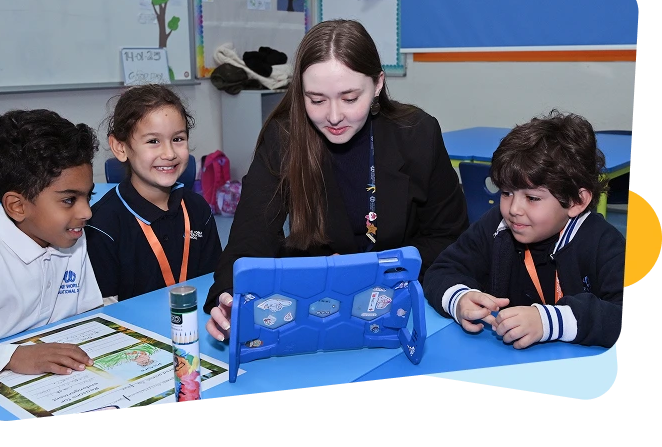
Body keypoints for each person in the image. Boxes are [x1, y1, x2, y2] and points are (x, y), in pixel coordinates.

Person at [204, 19, 469, 340]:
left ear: (378, 84)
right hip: (314, 305)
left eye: (349, 98)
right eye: (316, 100)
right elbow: (249, 239)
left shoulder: (417, 133)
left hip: (399, 304)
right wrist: (229, 298)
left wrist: (372, 270)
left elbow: (449, 237)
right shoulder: (283, 137)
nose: (333, 116)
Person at [423, 109, 625, 350]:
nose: (514, 209)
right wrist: (460, 299)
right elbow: (441, 271)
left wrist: (548, 321)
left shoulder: (604, 243)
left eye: (532, 198)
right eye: (506, 193)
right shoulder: (496, 225)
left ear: (576, 201)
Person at [0, 109, 104, 383]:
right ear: (17, 206)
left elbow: (89, 313)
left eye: (88, 196)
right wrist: (12, 357)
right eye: (69, 200)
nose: (87, 212)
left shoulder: (72, 239)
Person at [85, 84, 222, 303]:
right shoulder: (102, 225)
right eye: (153, 141)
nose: (169, 153)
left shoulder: (198, 209)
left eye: (178, 139)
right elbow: (104, 310)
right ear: (120, 147)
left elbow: (214, 282)